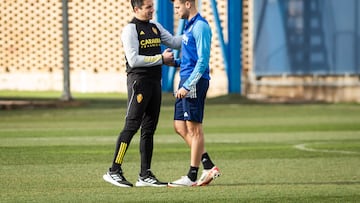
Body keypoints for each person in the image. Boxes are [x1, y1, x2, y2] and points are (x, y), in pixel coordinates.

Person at [103, 0, 182, 187]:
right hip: (139, 83)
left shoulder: (155, 27)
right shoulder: (130, 30)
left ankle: (145, 175)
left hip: (155, 83)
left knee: (149, 129)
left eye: (152, 6)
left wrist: (195, 31)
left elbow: (174, 42)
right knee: (131, 126)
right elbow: (134, 60)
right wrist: (161, 59)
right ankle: (114, 170)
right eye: (148, 7)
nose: (151, 10)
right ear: (136, 9)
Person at [168, 0, 220, 187]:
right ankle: (208, 165)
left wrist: (188, 85)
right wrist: (174, 63)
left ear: (188, 4)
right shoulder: (189, 26)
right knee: (179, 127)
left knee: (194, 129)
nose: (175, 10)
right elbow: (190, 60)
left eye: (177, 7)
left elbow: (203, 61)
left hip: (194, 83)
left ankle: (191, 176)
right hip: (185, 80)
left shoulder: (200, 27)